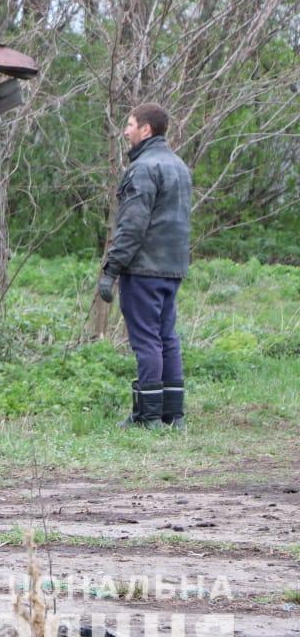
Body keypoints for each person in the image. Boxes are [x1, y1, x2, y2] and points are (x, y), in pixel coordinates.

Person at [97, 103, 192, 430]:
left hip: (144, 269)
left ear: (146, 130)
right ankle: (173, 415)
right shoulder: (179, 166)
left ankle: (148, 416)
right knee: (167, 338)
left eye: (130, 125)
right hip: (173, 268)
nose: (125, 131)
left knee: (147, 340)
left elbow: (132, 226)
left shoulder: (142, 168)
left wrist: (111, 269)